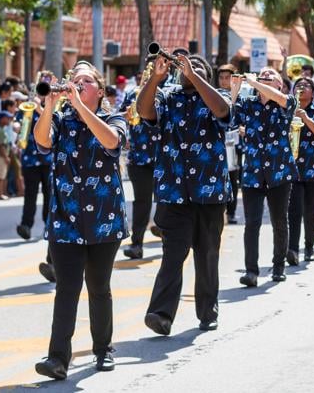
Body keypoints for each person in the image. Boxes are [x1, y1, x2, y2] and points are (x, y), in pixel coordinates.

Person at [32, 62, 128, 380]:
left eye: (86, 81)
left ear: (100, 90)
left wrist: (81, 106)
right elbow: (42, 142)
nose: (78, 84)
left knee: (99, 287)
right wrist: (49, 106)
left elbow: (111, 141)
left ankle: (103, 349)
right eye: (75, 80)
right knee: (66, 289)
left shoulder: (112, 117)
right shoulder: (61, 120)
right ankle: (58, 358)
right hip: (65, 220)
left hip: (104, 219)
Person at [137, 51, 231, 335]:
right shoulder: (167, 97)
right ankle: (160, 313)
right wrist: (156, 78)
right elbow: (144, 112)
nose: (189, 69)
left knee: (207, 254)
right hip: (173, 191)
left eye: (198, 67)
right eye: (186, 67)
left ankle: (207, 310)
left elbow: (223, 113)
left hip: (209, 191)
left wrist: (195, 77)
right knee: (173, 254)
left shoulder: (218, 96)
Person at [233, 67, 298, 285]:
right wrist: (235, 88)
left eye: (273, 76)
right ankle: (251, 271)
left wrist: (254, 83)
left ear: (280, 84)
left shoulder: (286, 101)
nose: (267, 75)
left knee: (280, 221)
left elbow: (279, 98)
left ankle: (279, 266)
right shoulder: (248, 103)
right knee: (252, 222)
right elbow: (231, 120)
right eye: (263, 74)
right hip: (253, 172)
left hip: (279, 171)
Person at [14, 72, 55, 281]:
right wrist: (20, 122)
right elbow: (18, 127)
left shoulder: (53, 104)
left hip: (48, 160)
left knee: (50, 196)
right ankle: (26, 225)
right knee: (30, 194)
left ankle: (48, 225)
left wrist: (41, 105)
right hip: (30, 158)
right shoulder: (27, 107)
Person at [287, 77, 314, 263]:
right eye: (298, 85)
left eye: (306, 86)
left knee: (311, 211)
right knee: (294, 211)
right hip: (293, 169)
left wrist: (306, 118)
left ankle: (309, 247)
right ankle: (292, 250)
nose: (302, 88)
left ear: (313, 93)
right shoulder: (285, 111)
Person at [120, 68, 160, 260]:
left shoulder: (164, 93)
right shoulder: (131, 94)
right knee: (141, 203)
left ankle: (167, 235)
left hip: (163, 157)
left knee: (166, 201)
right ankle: (137, 243)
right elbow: (120, 116)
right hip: (138, 157)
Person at [216, 64, 242, 224]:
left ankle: (231, 212)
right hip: (218, 140)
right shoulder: (215, 94)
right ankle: (220, 209)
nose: (224, 81)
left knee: (233, 179)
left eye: (227, 77)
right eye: (221, 78)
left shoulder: (242, 95)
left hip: (235, 142)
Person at [0, 111, 14, 200]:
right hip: (0, 157)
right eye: (7, 118)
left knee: (0, 176)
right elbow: (1, 146)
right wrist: (6, 157)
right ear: (1, 119)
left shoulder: (2, 129)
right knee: (0, 177)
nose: (9, 120)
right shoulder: (0, 131)